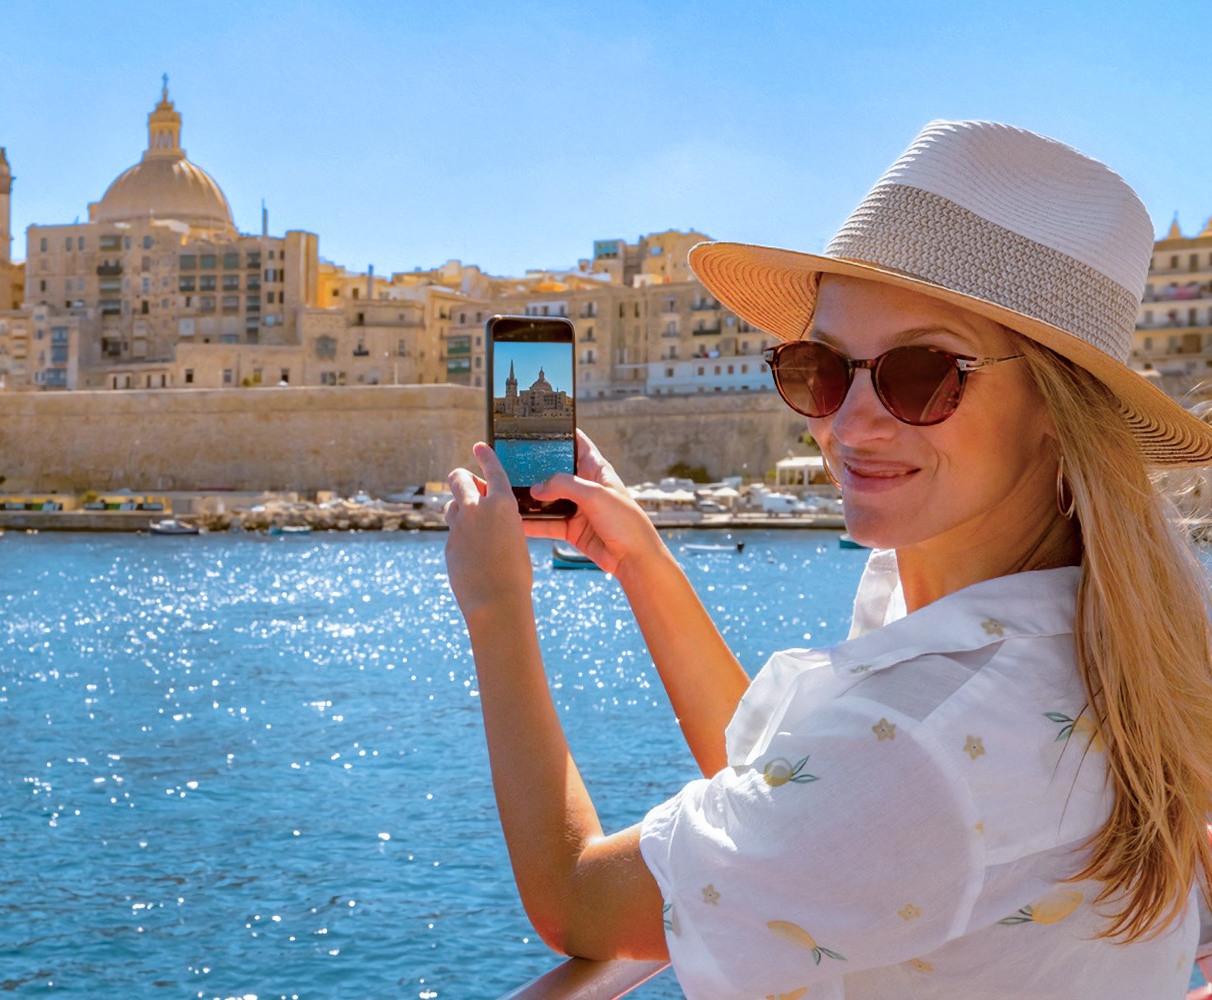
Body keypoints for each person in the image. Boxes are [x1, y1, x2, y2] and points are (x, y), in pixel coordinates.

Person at [444, 120, 1212, 998]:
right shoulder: (1086, 633)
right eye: (822, 368)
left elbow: (575, 899)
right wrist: (640, 564)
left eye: (922, 374)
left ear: (1055, 405)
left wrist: (497, 607)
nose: (847, 424)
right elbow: (795, 784)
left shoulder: (923, 746)